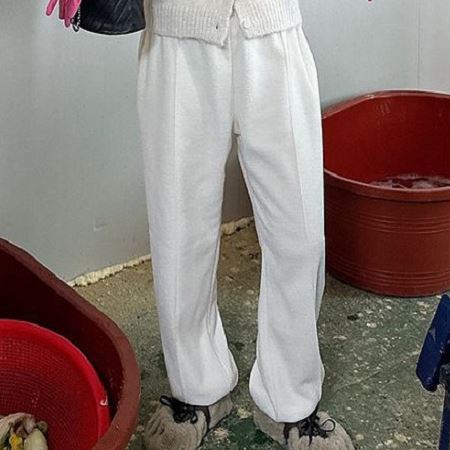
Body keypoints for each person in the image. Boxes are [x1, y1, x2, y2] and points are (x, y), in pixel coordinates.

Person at [136, 1, 354, 449]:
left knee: (299, 234)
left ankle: (289, 400)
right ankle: (196, 389)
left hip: (272, 26)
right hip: (178, 30)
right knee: (179, 231)